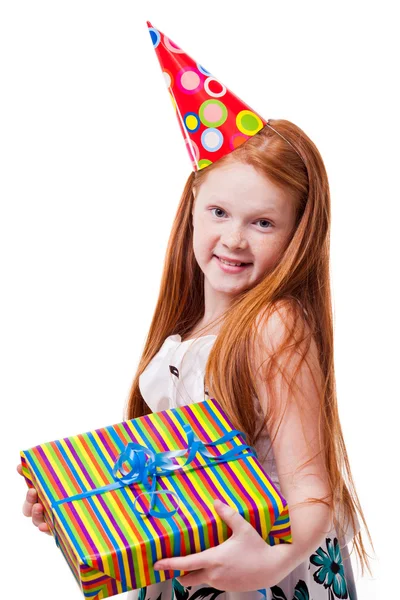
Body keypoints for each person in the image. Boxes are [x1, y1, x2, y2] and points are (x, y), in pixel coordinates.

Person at [17, 21, 375, 600]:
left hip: (264, 570)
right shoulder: (184, 337)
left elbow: (313, 490)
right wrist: (73, 511)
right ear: (191, 208)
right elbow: (172, 477)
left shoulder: (272, 325)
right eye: (218, 213)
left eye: (262, 222)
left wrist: (268, 564)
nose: (234, 238)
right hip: (194, 567)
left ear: (296, 235)